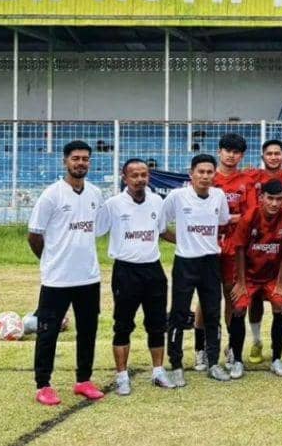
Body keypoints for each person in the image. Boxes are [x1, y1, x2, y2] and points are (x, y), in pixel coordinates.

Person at [28, 140, 107, 405]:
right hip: (57, 279)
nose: (80, 163)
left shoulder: (95, 193)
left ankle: (83, 380)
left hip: (88, 277)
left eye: (85, 158)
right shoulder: (52, 194)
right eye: (75, 158)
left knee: (88, 330)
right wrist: (50, 260)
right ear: (65, 161)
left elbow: (94, 231)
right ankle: (43, 385)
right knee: (48, 331)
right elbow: (34, 235)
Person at [95, 158, 175, 395]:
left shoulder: (156, 201)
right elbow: (97, 230)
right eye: (134, 175)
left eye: (144, 175)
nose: (140, 179)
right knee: (123, 324)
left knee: (157, 323)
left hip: (153, 269)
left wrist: (190, 240)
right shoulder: (113, 204)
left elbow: (161, 231)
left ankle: (158, 372)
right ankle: (122, 375)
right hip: (125, 270)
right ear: (124, 177)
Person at [163, 153, 232, 384]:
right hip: (185, 262)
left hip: (210, 262)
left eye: (209, 172)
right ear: (191, 173)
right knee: (179, 314)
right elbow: (161, 226)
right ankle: (176, 364)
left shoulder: (219, 195)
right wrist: (182, 240)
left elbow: (223, 221)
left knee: (212, 313)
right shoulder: (177, 196)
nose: (204, 176)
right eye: (200, 172)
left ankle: (213, 362)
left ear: (215, 174)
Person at [193, 133, 252, 372]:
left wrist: (230, 219)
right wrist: (223, 219)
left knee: (231, 296)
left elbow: (249, 215)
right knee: (205, 299)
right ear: (219, 152)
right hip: (207, 244)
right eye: (227, 150)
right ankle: (201, 350)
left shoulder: (246, 181)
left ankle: (231, 348)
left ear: (242, 156)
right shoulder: (207, 177)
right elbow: (197, 210)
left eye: (236, 152)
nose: (231, 155)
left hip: (233, 248)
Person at [227, 179, 282, 378]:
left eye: (279, 199)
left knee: (281, 304)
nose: (274, 203)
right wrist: (240, 283)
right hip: (247, 276)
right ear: (261, 198)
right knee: (239, 307)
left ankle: (276, 359)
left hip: (272, 277)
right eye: (270, 198)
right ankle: (237, 360)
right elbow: (239, 249)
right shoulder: (249, 217)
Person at [246, 139, 282, 365]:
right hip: (257, 245)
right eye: (270, 153)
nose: (274, 157)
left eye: (278, 153)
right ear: (263, 157)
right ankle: (256, 341)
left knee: (281, 298)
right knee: (254, 300)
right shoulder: (253, 178)